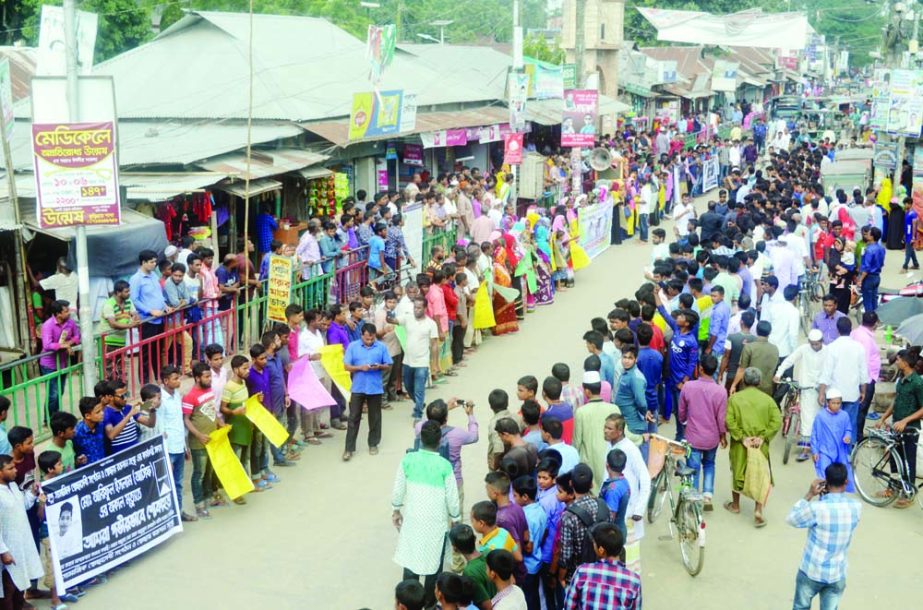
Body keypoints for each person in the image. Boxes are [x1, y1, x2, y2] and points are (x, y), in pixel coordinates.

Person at [391, 421, 461, 608]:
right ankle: (429, 604)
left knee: (411, 561)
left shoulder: (407, 460)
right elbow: (453, 499)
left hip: (413, 521)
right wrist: (455, 520)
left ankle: (407, 602)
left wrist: (396, 510)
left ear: (420, 439)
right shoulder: (445, 466)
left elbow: (398, 490)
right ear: (440, 441)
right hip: (436, 524)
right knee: (433, 566)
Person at [786, 463, 861, 610]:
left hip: (811, 571)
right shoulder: (856, 507)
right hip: (836, 574)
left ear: (826, 482)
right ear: (846, 482)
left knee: (801, 607)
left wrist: (810, 494)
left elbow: (791, 518)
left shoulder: (816, 509)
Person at [725, 367, 781, 528]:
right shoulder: (768, 400)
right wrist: (763, 437)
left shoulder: (735, 399)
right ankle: (758, 510)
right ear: (760, 382)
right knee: (761, 475)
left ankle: (735, 505)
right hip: (759, 445)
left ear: (743, 381)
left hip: (741, 444)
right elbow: (776, 421)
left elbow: (730, 420)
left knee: (737, 472)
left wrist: (742, 437)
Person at [875, 349, 923, 508]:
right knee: (895, 459)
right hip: (896, 425)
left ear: (906, 362)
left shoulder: (917, 382)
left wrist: (905, 421)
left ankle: (909, 493)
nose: (896, 362)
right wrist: (883, 417)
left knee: (908, 461)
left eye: (898, 359)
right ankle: (893, 487)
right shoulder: (901, 379)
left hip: (910, 428)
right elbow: (896, 401)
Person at [678, 354, 727, 510]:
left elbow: (681, 411)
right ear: (714, 370)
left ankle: (694, 498)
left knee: (693, 467)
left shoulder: (688, 386)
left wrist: (684, 422)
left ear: (700, 368)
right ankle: (707, 495)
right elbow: (721, 418)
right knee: (709, 463)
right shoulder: (721, 391)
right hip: (712, 437)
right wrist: (722, 435)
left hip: (693, 436)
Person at [775, 329, 828, 462]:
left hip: (823, 389)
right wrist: (778, 374)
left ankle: (822, 447)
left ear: (822, 341)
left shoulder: (828, 351)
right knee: (807, 418)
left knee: (822, 418)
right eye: (812, 344)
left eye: (817, 343)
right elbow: (789, 360)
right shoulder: (804, 349)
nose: (814, 346)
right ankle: (805, 450)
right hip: (807, 389)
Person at [563, 522, 642, 610]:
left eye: (594, 543)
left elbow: (568, 607)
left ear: (601, 550)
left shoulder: (582, 572)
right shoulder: (634, 581)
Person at [343, 323, 393, 461]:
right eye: (367, 339)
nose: (370, 341)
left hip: (375, 388)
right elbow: (346, 366)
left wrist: (380, 366)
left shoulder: (381, 347)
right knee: (353, 418)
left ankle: (373, 443)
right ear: (361, 335)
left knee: (375, 417)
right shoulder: (353, 346)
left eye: (372, 339)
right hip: (358, 387)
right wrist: (360, 368)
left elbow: (388, 365)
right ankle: (349, 448)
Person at [0, 454, 44, 610]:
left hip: (21, 544)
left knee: (20, 585)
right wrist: (3, 552)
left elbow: (22, 506)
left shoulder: (12, 486)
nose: (15, 470)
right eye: (10, 468)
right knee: (8, 588)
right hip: (8, 548)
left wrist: (32, 493)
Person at [818, 317, 869, 448]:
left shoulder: (832, 348)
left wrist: (822, 393)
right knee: (850, 424)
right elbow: (863, 371)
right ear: (851, 329)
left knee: (832, 423)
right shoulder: (859, 347)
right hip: (852, 393)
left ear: (837, 330)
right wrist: (863, 390)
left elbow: (826, 373)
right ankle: (848, 453)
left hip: (834, 395)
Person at [130, 250, 174, 384]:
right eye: (151, 262)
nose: (154, 264)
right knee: (145, 353)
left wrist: (165, 305)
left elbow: (158, 294)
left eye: (155, 262)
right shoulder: (136, 279)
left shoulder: (154, 275)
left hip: (161, 318)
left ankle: (159, 378)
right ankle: (145, 382)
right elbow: (135, 300)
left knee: (158, 350)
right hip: (147, 320)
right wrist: (149, 311)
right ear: (143, 262)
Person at [572, 372, 620, 491]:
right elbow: (624, 434)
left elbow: (577, 442)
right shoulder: (614, 408)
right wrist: (641, 437)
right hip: (612, 462)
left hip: (590, 465)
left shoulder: (581, 412)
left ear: (586, 391)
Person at [182, 362, 218, 519]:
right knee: (199, 473)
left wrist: (220, 424)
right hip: (199, 442)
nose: (209, 379)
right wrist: (198, 435)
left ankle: (209, 498)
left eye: (210, 376)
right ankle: (199, 504)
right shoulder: (189, 396)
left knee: (210, 470)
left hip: (213, 438)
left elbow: (212, 411)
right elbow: (187, 420)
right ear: (197, 378)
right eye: (206, 376)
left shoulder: (209, 390)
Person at [39, 300, 80, 422]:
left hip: (62, 363)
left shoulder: (70, 323)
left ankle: (53, 417)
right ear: (58, 314)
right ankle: (51, 419)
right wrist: (63, 346)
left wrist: (69, 343)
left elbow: (77, 337)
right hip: (49, 364)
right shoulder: (48, 325)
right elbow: (47, 345)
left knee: (59, 392)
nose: (69, 312)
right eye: (66, 311)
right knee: (53, 394)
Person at [511, 476, 548, 610]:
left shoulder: (526, 516)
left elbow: (529, 547)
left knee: (528, 598)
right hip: (537, 560)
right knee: (534, 595)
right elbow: (545, 532)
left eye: (515, 495)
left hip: (528, 565)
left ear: (525, 497)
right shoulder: (540, 510)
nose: (513, 499)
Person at [400, 298, 439, 423]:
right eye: (415, 307)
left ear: (425, 309)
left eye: (419, 308)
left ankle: (418, 414)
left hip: (422, 362)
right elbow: (394, 320)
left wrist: (434, 364)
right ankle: (419, 403)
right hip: (407, 360)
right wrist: (389, 315)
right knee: (408, 386)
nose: (416, 310)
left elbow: (434, 345)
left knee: (419, 389)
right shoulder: (408, 318)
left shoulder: (431, 324)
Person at [810, 389, 855, 493]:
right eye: (833, 403)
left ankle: (840, 494)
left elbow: (848, 429)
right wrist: (815, 451)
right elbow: (815, 434)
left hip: (840, 450)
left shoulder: (844, 415)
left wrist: (847, 436)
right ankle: (824, 493)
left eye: (838, 403)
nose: (836, 405)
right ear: (827, 402)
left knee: (842, 473)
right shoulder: (820, 416)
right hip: (825, 450)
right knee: (824, 472)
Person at [448, 524, 496, 610]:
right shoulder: (489, 552)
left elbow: (488, 606)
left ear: (455, 548)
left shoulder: (469, 572)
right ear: (474, 539)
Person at [731, 321, 778, 396]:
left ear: (756, 330)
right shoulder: (775, 349)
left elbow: (742, 370)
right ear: (769, 332)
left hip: (748, 389)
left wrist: (733, 385)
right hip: (766, 390)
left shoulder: (749, 347)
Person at [599, 449, 630, 540]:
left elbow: (610, 518)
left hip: (612, 535)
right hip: (620, 528)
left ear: (607, 465)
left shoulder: (613, 490)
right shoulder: (624, 482)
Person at [856, 226, 884, 312]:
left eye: (868, 233)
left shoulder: (869, 250)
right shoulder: (881, 248)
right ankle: (875, 319)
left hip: (869, 278)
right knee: (874, 300)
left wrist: (860, 280)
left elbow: (866, 268)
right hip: (877, 276)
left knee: (867, 302)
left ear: (872, 237)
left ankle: (869, 321)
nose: (866, 235)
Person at [73, 397, 106, 466]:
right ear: (87, 416)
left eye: (102, 410)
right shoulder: (77, 433)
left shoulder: (101, 425)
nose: (102, 413)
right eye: (98, 412)